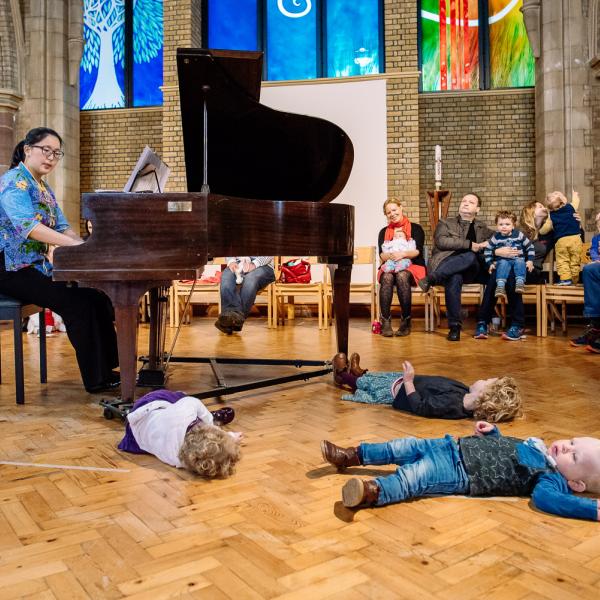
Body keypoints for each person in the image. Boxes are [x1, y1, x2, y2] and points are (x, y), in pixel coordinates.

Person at [0, 127, 119, 393]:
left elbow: (63, 226)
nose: (51, 157)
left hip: (33, 266)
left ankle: (109, 368)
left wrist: (83, 244)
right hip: (9, 267)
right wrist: (77, 245)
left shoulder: (43, 187)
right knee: (75, 302)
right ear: (28, 149)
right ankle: (95, 379)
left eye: (56, 153)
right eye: (46, 150)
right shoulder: (13, 181)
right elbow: (28, 227)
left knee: (95, 295)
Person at [320, 423, 600, 520]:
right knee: (400, 446)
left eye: (574, 456)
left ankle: (372, 492)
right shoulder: (539, 447)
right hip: (450, 445)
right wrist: (493, 433)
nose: (565, 448)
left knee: (415, 476)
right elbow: (505, 447)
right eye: (572, 442)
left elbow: (549, 501)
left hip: (460, 471)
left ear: (575, 484)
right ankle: (352, 455)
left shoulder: (549, 480)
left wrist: (592, 510)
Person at [331, 353, 522, 422]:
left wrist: (408, 381)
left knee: (368, 386)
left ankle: (343, 376)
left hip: (398, 392)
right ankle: (357, 372)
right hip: (403, 382)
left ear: (483, 394)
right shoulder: (463, 393)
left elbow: (420, 406)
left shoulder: (452, 405)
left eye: (486, 380)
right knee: (377, 377)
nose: (482, 378)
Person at [418, 193, 494, 341]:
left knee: (471, 256)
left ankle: (431, 279)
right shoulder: (445, 223)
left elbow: (504, 235)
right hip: (445, 263)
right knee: (455, 276)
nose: (465, 203)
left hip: (471, 270)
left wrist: (490, 245)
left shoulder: (482, 228)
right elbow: (441, 242)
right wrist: (470, 245)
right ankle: (454, 327)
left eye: (471, 202)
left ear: (477, 209)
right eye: (463, 201)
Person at [118, 389, 242, 477]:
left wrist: (224, 433)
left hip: (145, 408)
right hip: (136, 437)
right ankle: (211, 417)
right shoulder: (180, 461)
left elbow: (192, 401)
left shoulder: (183, 415)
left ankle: (212, 417)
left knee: (180, 397)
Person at [377, 198, 426, 337]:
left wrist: (402, 254)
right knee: (386, 277)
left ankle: (406, 320)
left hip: (413, 265)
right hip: (389, 264)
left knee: (402, 275)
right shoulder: (383, 232)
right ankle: (385, 321)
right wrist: (392, 255)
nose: (392, 214)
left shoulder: (416, 228)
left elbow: (418, 251)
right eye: (388, 212)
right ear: (385, 215)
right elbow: (382, 255)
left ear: (401, 208)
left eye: (394, 210)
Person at [214, 256, 275, 334]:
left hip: (264, 266)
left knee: (250, 279)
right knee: (226, 277)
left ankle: (229, 322)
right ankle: (230, 317)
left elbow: (269, 253)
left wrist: (254, 264)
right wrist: (231, 261)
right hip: (238, 263)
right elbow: (229, 248)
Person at [484, 210, 535, 297]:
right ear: (497, 226)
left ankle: (520, 283)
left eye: (507, 224)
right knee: (503, 263)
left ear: (513, 225)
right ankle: (500, 287)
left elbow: (530, 247)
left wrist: (530, 261)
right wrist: (490, 263)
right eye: (501, 224)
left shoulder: (519, 234)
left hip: (518, 259)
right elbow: (488, 250)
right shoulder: (496, 237)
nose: (504, 227)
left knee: (520, 262)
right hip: (503, 260)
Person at [571, 211, 600, 353]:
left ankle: (596, 327)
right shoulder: (596, 238)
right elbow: (593, 252)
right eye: (598, 221)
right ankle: (595, 324)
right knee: (589, 269)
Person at [545, 190, 582, 285]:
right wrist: (575, 194)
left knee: (562, 261)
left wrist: (540, 230)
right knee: (575, 260)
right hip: (576, 239)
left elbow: (545, 229)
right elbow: (576, 201)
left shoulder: (551, 215)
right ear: (563, 200)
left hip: (561, 241)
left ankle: (566, 279)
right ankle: (574, 279)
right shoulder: (571, 207)